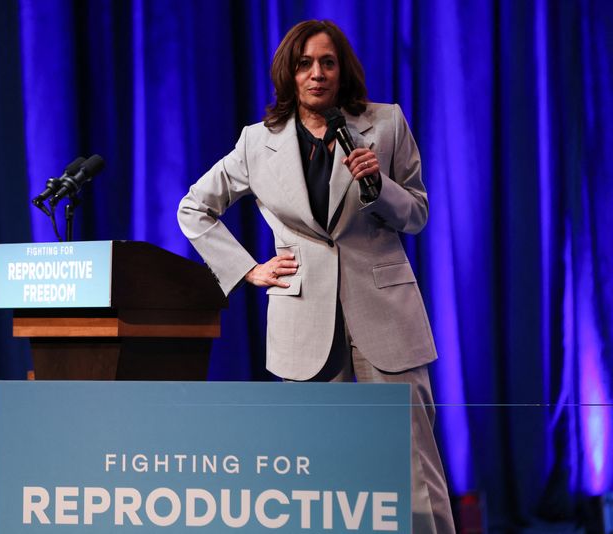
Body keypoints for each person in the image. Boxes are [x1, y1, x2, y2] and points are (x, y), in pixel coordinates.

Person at [177, 19, 455, 534]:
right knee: (319, 470)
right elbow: (193, 208)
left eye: (327, 62)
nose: (317, 74)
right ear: (289, 72)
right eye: (305, 64)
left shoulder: (386, 123)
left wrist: (380, 184)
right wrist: (247, 271)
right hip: (305, 324)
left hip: (386, 320)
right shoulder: (257, 143)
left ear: (341, 69)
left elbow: (416, 214)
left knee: (413, 467)